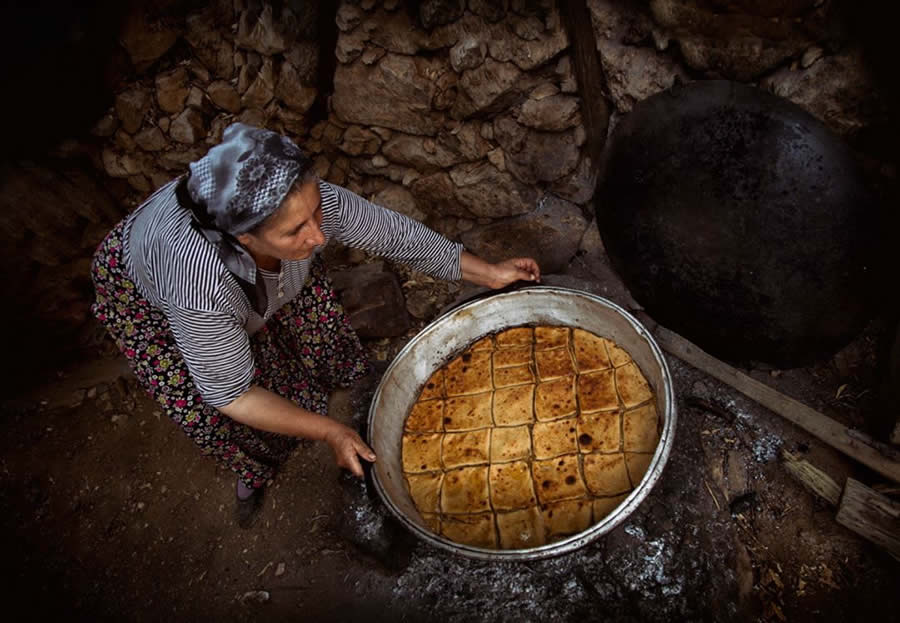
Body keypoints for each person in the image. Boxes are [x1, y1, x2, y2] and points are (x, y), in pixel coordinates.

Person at [91, 123, 541, 527]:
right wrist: (330, 430)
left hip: (244, 271)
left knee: (304, 317)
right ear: (244, 238)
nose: (320, 236)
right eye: (295, 232)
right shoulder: (196, 280)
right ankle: (255, 472)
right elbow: (232, 392)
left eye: (316, 213)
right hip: (144, 288)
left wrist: (490, 273)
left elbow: (393, 235)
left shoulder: (293, 198)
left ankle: (331, 382)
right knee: (218, 396)